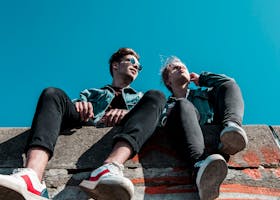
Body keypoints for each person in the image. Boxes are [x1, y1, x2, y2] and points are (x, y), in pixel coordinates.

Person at [0, 48, 166, 200]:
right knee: (52, 93)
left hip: (126, 131)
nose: (136, 66)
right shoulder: (92, 93)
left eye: (139, 66)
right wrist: (80, 104)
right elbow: (64, 110)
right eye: (132, 61)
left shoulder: (141, 98)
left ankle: (110, 167)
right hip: (87, 121)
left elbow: (154, 120)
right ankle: (32, 178)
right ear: (115, 65)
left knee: (157, 96)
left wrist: (129, 114)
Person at [160, 56, 248, 200]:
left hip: (215, 136)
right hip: (191, 149)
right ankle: (200, 169)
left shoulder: (205, 95)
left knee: (230, 85)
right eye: (175, 68)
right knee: (182, 104)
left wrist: (203, 79)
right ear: (168, 81)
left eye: (183, 66)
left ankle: (232, 129)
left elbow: (228, 83)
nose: (181, 68)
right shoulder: (165, 105)